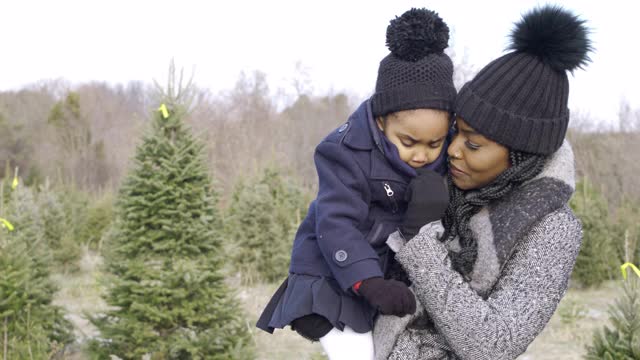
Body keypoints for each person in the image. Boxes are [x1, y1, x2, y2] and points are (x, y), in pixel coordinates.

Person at [373, 5, 592, 359]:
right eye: (457, 133)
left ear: (522, 156)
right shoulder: (438, 176)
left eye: (474, 144)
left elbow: (494, 346)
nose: (453, 151)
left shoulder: (553, 230)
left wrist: (419, 241)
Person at [256, 8, 455, 359]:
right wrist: (369, 282)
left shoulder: (446, 157)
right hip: (334, 271)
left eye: (434, 144)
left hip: (385, 269)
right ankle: (322, 313)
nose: (422, 155)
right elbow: (336, 224)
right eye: (409, 142)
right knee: (358, 353)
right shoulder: (345, 152)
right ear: (381, 123)